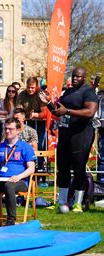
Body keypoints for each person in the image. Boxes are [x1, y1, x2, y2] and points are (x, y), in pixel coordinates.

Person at [40, 67, 98, 212]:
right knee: (63, 167)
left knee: (78, 168)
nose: (74, 78)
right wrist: (48, 103)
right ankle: (61, 201)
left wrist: (68, 111)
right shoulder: (68, 92)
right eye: (73, 76)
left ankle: (78, 203)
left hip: (81, 134)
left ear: (84, 77)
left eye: (78, 76)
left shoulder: (88, 92)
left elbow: (90, 112)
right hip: (65, 133)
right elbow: (59, 112)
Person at [0, 118, 36, 227]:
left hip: (19, 181)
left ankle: (11, 220)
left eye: (10, 129)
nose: (7, 131)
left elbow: (31, 168)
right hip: (1, 180)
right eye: (5, 129)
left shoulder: (25, 147)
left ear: (18, 131)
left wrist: (18, 176)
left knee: (9, 185)